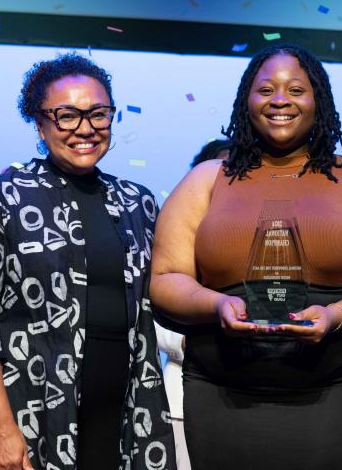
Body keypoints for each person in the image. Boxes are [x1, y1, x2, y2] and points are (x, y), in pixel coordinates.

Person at [150, 43, 342, 470]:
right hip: (222, 392)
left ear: (318, 100)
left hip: (337, 390)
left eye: (296, 89)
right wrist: (215, 304)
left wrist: (334, 316)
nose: (279, 100)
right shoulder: (205, 180)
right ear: (245, 100)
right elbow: (164, 280)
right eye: (266, 89)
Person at [0, 53, 175, 470]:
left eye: (98, 113)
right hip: (32, 418)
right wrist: (0, 430)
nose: (85, 128)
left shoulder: (138, 203)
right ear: (39, 121)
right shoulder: (0, 198)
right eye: (67, 115)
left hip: (125, 414)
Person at [154, 140, 229, 470]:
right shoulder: (176, 239)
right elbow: (150, 313)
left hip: (258, 402)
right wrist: (192, 343)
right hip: (183, 401)